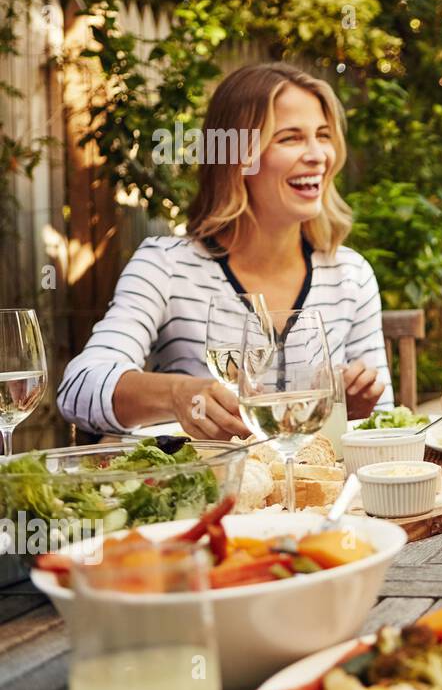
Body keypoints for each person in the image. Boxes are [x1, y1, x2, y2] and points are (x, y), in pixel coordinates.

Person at [58, 62, 393, 439]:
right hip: (212, 492)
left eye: (323, 135)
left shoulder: (350, 274)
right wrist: (177, 394)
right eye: (290, 138)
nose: (318, 155)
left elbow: (385, 424)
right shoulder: (167, 265)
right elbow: (79, 388)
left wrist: (354, 408)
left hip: (324, 495)